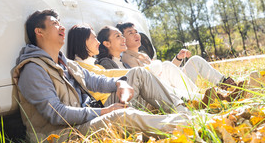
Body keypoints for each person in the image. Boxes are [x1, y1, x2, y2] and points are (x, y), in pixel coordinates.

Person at [12, 9, 197, 143]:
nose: (61, 27)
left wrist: (119, 83)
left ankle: (185, 112)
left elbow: (95, 80)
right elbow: (57, 114)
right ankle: (190, 126)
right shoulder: (33, 69)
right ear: (39, 32)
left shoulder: (65, 63)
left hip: (88, 117)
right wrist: (104, 112)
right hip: (62, 134)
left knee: (137, 74)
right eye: (54, 24)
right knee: (121, 116)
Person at [96, 25, 247, 105]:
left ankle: (227, 85)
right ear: (107, 43)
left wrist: (178, 58)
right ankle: (209, 97)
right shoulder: (126, 59)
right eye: (128, 34)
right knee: (167, 65)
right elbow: (142, 80)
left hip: (170, 85)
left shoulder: (138, 56)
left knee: (194, 60)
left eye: (136, 32)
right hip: (160, 90)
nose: (136, 35)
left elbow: (167, 72)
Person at [68, 24, 204, 102]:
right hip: (115, 101)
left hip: (126, 94)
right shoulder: (90, 65)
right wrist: (147, 70)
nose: (97, 42)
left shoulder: (95, 64)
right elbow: (105, 74)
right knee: (146, 74)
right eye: (94, 39)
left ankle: (198, 97)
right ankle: (196, 98)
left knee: (182, 64)